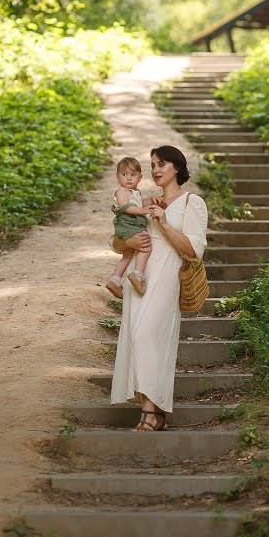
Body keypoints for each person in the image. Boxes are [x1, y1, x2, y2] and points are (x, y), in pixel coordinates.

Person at [108, 145, 208, 432]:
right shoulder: (144, 200)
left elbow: (192, 250)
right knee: (134, 339)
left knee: (147, 337)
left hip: (166, 277)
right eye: (152, 164)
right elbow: (118, 240)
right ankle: (152, 412)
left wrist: (163, 223)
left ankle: (151, 411)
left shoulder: (192, 202)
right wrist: (129, 243)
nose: (155, 169)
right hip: (138, 278)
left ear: (176, 167)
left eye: (161, 164)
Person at [106, 157, 155, 298]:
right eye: (124, 174)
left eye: (133, 175)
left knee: (127, 255)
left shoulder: (136, 192)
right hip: (128, 224)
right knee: (145, 246)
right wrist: (143, 210)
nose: (128, 178)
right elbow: (127, 207)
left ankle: (115, 280)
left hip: (131, 225)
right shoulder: (121, 191)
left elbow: (138, 204)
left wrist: (149, 201)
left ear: (140, 177)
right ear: (117, 176)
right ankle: (138, 275)